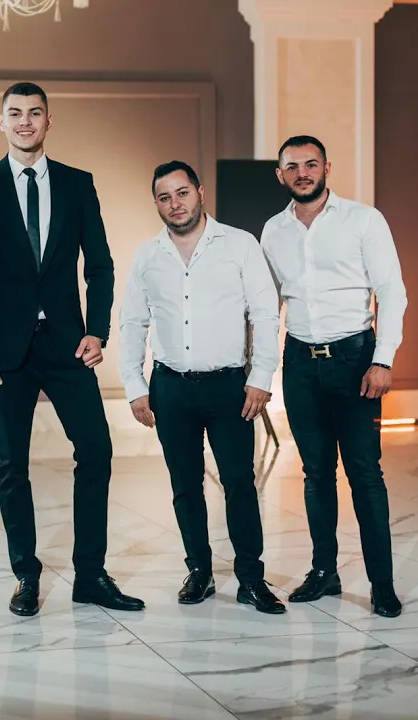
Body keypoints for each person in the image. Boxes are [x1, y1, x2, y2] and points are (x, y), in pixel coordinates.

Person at [0, 81, 143, 616]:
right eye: (15, 113)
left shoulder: (78, 184)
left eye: (35, 113)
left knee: (96, 450)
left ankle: (91, 574)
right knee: (12, 463)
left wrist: (97, 330)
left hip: (67, 345)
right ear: (1, 122)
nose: (25, 122)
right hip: (4, 351)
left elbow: (100, 265)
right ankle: (25, 574)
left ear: (48, 121)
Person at [118, 160, 286, 614]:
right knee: (185, 484)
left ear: (200, 192)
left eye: (182, 193)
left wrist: (261, 376)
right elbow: (132, 321)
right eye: (164, 197)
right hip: (170, 389)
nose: (175, 203)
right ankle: (199, 571)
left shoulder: (239, 244)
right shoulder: (148, 256)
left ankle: (251, 579)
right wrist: (134, 384)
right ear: (156, 204)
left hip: (229, 388)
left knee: (239, 482)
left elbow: (265, 313)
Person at [259, 135, 408, 618]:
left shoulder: (364, 220)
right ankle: (325, 571)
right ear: (280, 175)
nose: (302, 173)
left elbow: (392, 292)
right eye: (292, 166)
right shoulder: (273, 230)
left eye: (311, 164)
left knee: (365, 474)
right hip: (300, 362)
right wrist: (260, 368)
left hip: (355, 360)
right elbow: (266, 306)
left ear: (327, 168)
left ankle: (382, 584)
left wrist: (383, 360)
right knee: (316, 473)